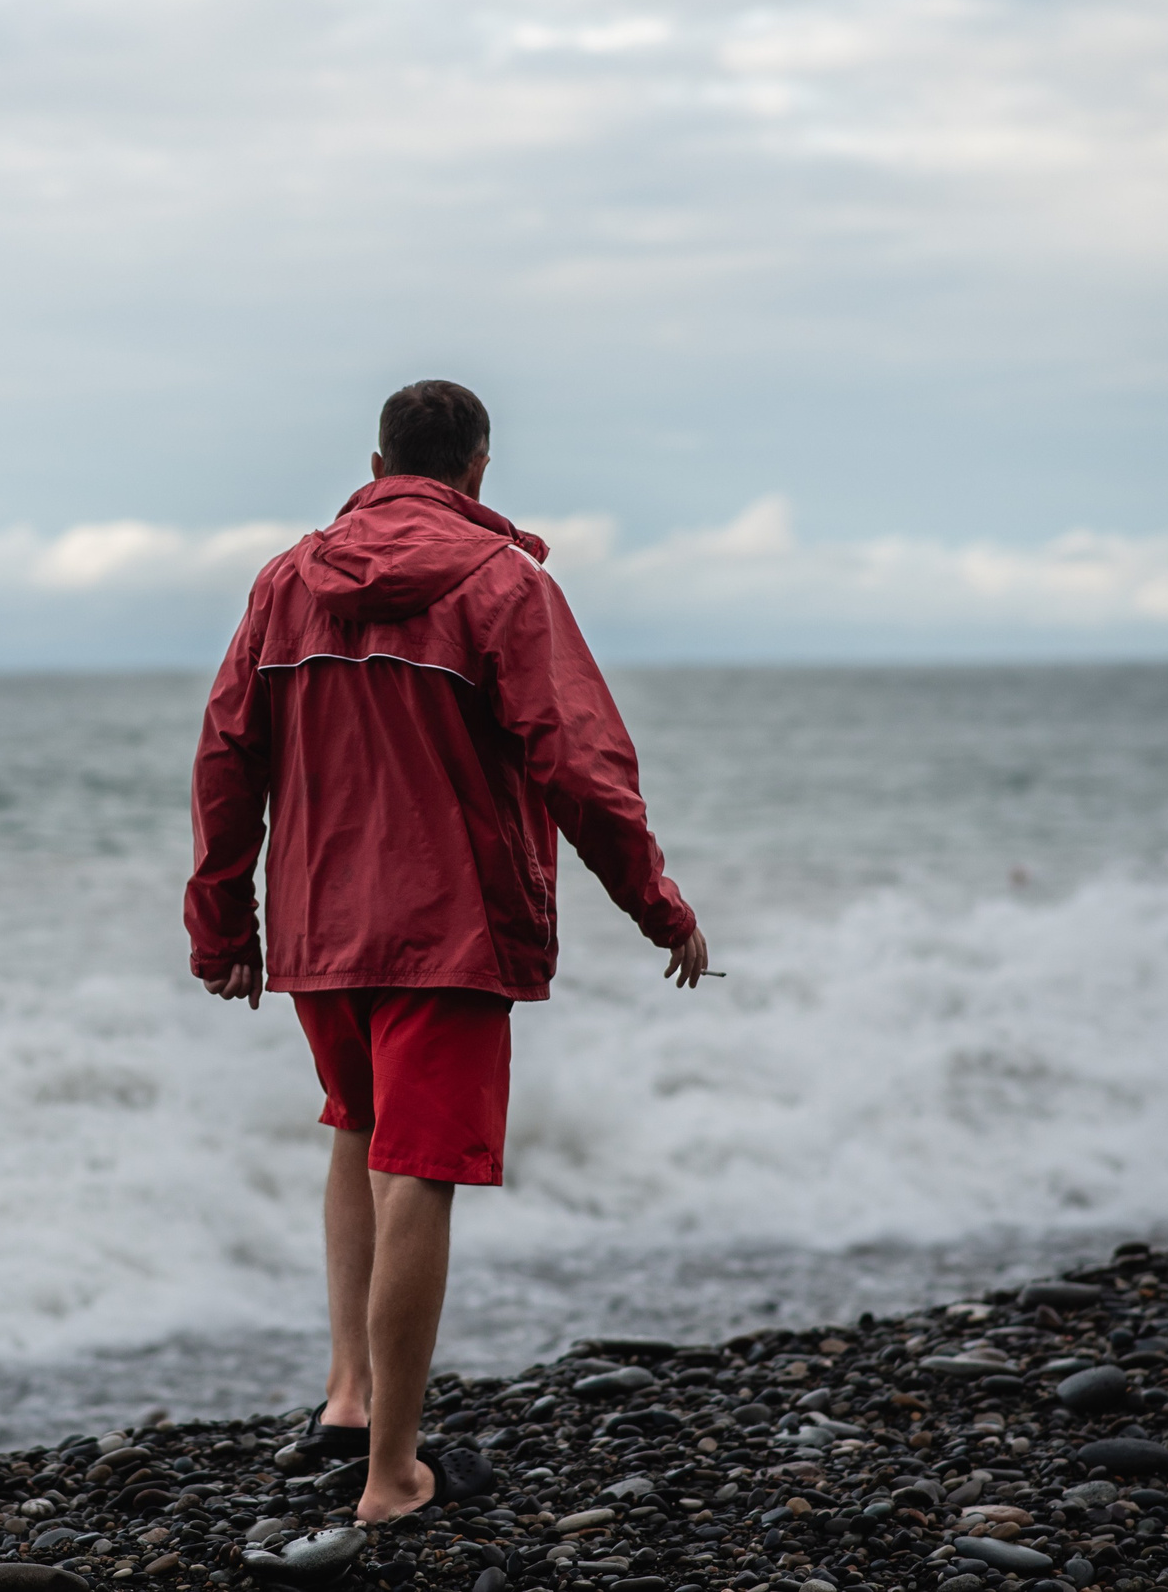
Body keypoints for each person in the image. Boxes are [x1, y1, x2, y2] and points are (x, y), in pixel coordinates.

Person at [183, 379, 709, 1525]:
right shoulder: (502, 583)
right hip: (450, 928)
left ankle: (348, 1393)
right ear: (475, 467)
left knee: (358, 1127)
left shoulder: (285, 583)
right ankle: (389, 1477)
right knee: (416, 1164)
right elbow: (580, 764)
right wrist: (658, 904)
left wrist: (223, 918)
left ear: (376, 461)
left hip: (321, 929)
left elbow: (228, 751)